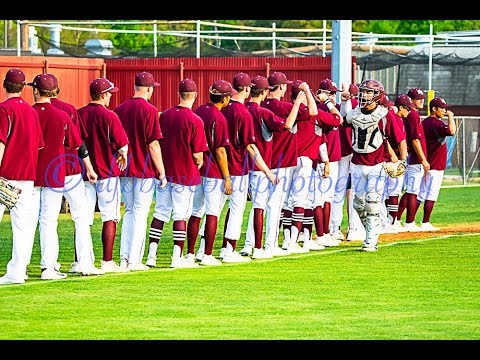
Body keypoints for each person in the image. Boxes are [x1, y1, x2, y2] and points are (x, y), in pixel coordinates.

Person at [27, 73, 89, 280]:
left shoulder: (28, 112)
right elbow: (75, 143)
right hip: (54, 174)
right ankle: (48, 267)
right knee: (48, 221)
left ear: (36, 90)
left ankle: (20, 267)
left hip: (30, 174)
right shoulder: (62, 114)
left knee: (26, 221)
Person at [146, 78, 208, 268]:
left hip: (164, 171)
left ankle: (151, 256)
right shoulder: (195, 120)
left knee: (160, 213)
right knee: (180, 215)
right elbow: (198, 155)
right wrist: (200, 162)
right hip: (185, 174)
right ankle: (176, 258)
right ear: (195, 96)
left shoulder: (163, 116)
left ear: (178, 94)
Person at [48, 73, 104, 276]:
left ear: (37, 90)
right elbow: (78, 142)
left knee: (48, 220)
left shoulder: (33, 110)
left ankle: (49, 265)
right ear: (57, 90)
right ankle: (85, 263)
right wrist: (89, 168)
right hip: (71, 171)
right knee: (81, 217)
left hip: (47, 174)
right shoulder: (69, 110)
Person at [219, 72, 277, 263]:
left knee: (215, 210)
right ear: (246, 89)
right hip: (238, 167)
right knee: (238, 208)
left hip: (218, 167)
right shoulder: (242, 112)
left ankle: (210, 248)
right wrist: (267, 171)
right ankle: (232, 249)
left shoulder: (222, 108)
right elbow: (250, 147)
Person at [114, 71, 167, 271]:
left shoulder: (119, 109)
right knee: (140, 212)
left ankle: (124, 258)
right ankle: (135, 259)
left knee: (128, 211)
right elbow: (153, 144)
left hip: (125, 167)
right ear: (148, 89)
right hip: (144, 170)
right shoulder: (150, 110)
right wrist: (161, 171)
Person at [341, 79, 403, 251]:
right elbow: (342, 120)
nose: (365, 95)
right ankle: (371, 230)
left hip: (377, 163)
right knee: (358, 204)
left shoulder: (384, 114)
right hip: (357, 163)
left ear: (377, 96)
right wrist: (344, 101)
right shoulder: (354, 113)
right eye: (363, 91)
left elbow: (399, 139)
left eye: (369, 92)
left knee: (373, 200)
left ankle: (371, 241)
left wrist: (402, 159)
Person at [241, 75, 297, 258]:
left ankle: (247, 245)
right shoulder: (263, 112)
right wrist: (300, 101)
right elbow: (288, 125)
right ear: (265, 91)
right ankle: (265, 245)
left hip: (241, 166)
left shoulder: (242, 109)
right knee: (267, 206)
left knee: (240, 208)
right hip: (262, 166)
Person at [78, 77, 130, 273]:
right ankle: (107, 261)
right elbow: (123, 145)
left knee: (83, 218)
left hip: (84, 172)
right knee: (110, 216)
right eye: (109, 93)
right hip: (107, 172)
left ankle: (81, 261)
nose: (110, 97)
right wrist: (122, 155)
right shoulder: (110, 116)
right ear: (102, 95)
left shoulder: (79, 114)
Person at [0, 68, 44, 285]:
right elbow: (37, 146)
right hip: (26, 178)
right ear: (23, 87)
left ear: (4, 85)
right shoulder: (31, 112)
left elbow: (0, 143)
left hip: (4, 176)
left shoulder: (3, 110)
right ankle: (18, 271)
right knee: (23, 226)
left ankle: (15, 272)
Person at [185, 79, 234, 267]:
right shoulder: (218, 117)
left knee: (196, 211)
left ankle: (190, 253)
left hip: (196, 170)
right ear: (225, 98)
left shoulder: (198, 111)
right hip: (213, 171)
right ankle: (206, 254)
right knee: (212, 212)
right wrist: (227, 177)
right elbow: (221, 151)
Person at [417, 97, 456, 231]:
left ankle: (409, 221)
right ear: (434, 109)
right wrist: (451, 117)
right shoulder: (436, 123)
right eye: (442, 108)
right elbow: (451, 131)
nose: (444, 111)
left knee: (420, 193)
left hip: (426, 161)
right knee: (431, 193)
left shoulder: (424, 122)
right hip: (436, 164)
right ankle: (425, 222)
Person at [396, 87, 430, 231]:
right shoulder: (413, 115)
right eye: (418, 98)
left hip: (412, 156)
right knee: (412, 190)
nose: (422, 100)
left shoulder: (410, 115)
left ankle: (396, 219)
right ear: (411, 100)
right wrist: (423, 159)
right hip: (415, 157)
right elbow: (415, 140)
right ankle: (409, 222)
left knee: (409, 190)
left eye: (422, 98)